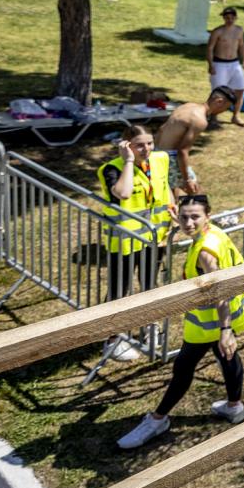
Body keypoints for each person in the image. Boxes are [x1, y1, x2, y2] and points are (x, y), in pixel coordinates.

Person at [117, 193, 244, 449]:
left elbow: (219, 289)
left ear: (208, 216)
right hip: (225, 317)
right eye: (184, 217)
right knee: (227, 356)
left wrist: (225, 329)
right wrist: (182, 223)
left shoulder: (205, 253)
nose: (188, 223)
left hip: (209, 324)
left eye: (195, 217)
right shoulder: (213, 233)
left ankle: (158, 419)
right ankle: (234, 406)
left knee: (183, 368)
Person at [96, 126, 176, 361]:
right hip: (125, 241)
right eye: (139, 145)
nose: (146, 149)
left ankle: (150, 327)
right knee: (119, 290)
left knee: (150, 284)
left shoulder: (160, 159)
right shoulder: (112, 168)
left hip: (155, 237)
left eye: (149, 143)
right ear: (126, 145)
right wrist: (129, 161)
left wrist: (173, 211)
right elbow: (123, 193)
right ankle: (112, 339)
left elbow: (165, 187)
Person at [153, 89, 236, 194]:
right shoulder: (199, 120)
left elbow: (162, 129)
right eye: (226, 107)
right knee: (194, 190)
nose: (224, 111)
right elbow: (182, 151)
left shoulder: (187, 106)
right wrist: (187, 180)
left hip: (156, 151)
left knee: (171, 190)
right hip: (169, 157)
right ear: (219, 101)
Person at [206, 8, 244, 124]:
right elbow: (210, 48)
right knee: (218, 92)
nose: (229, 20)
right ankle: (213, 115)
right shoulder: (217, 31)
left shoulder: (239, 30)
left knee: (240, 90)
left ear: (236, 18)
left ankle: (236, 116)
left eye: (232, 18)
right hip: (219, 64)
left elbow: (241, 45)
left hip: (234, 63)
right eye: (227, 18)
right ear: (223, 18)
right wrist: (211, 65)